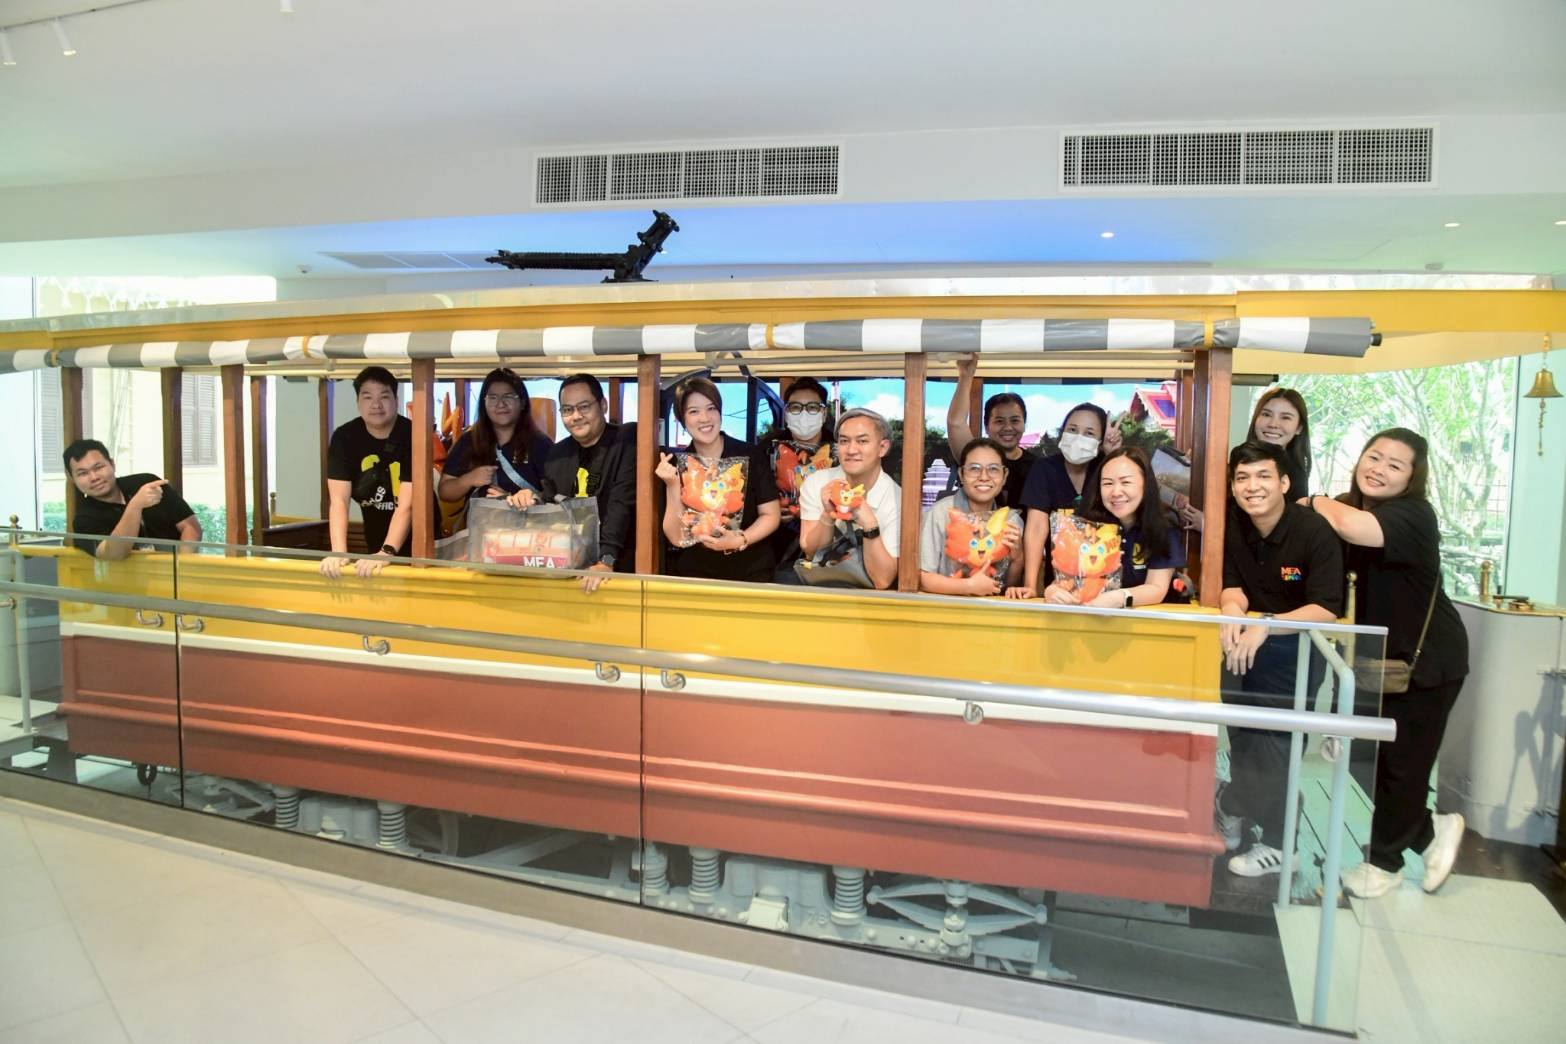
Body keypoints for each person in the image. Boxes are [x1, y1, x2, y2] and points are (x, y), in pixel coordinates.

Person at [1304, 428, 1469, 899]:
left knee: (1402, 766)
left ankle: (1384, 864)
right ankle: (1430, 832)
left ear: (1412, 479)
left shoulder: (1413, 515)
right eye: (1373, 457)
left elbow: (1354, 528)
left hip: (1427, 662)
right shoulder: (1352, 509)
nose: (1378, 469)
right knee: (1366, 759)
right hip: (1377, 664)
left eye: (1394, 465)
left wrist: (1311, 500)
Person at [1218, 440, 1343, 878]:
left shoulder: (1313, 531)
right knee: (1244, 745)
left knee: (1277, 754)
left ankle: (1277, 843)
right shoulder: (1235, 523)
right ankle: (1239, 812)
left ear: (1285, 483)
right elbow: (1233, 584)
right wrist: (1232, 610)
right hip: (1241, 649)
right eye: (1242, 478)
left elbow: (1327, 606)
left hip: (1295, 654)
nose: (1252, 486)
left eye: (1263, 476)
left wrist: (1268, 624)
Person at [509, 374, 638, 594]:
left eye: (584, 407)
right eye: (567, 410)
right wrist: (531, 499)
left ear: (603, 405)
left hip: (619, 569)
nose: (576, 416)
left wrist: (606, 560)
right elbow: (551, 502)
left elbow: (621, 502)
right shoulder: (557, 454)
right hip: (570, 568)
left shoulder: (626, 439)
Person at [654, 377, 780, 583]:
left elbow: (771, 515)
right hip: (696, 575)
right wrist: (672, 485)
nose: (704, 418)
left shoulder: (751, 455)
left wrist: (739, 540)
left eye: (711, 408)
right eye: (693, 411)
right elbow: (676, 537)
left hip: (752, 571)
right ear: (681, 419)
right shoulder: (676, 465)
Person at [1031, 447, 1182, 607]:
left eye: (1126, 482)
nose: (1116, 492)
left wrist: (1120, 598)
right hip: (1092, 617)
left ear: (1146, 484)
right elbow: (1070, 578)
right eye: (1108, 483)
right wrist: (1053, 590)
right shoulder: (1086, 525)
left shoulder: (1164, 526)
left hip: (1147, 619)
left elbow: (1156, 588)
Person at [1018, 401, 1121, 594]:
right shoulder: (1044, 469)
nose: (1078, 438)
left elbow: (1127, 508)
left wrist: (1112, 453)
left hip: (1108, 587)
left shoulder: (1107, 468)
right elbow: (1036, 527)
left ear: (1100, 442)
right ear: (1062, 432)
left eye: (1089, 433)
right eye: (1072, 430)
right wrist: (1030, 586)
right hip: (1059, 587)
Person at [322, 366, 414, 579]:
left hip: (421, 542)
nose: (376, 405)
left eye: (384, 396)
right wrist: (339, 553)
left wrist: (387, 551)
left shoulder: (413, 433)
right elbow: (339, 501)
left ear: (396, 400)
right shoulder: (345, 438)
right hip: (375, 538)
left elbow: (407, 505)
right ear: (358, 402)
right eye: (367, 397)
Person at [1174, 387, 1312, 530]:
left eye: (1285, 417)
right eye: (1266, 414)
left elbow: (1272, 532)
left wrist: (1210, 527)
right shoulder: (1237, 461)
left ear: (1299, 428)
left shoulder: (1296, 476)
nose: (1273, 424)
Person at [798, 408, 901, 590]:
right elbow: (811, 552)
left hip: (871, 598)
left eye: (862, 441)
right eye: (844, 441)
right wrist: (828, 515)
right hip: (821, 588)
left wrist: (869, 524)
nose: (851, 450)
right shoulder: (816, 482)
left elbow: (882, 580)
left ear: (883, 448)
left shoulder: (898, 499)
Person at [64, 439, 202, 559]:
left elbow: (191, 527)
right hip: (129, 579)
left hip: (176, 573)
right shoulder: (84, 519)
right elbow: (113, 554)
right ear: (72, 479)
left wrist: (181, 566)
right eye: (83, 473)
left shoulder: (147, 483)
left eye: (99, 467)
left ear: (112, 464)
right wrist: (135, 506)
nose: (94, 477)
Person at [919, 438, 1023, 596]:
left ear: (1004, 475)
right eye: (974, 468)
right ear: (961, 474)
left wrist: (1017, 558)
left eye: (993, 469)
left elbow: (1008, 587)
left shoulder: (1011, 521)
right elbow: (921, 577)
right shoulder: (940, 514)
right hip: (944, 607)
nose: (984, 476)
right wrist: (967, 586)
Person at [439, 368, 552, 505]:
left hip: (527, 519)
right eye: (492, 398)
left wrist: (525, 498)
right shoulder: (468, 441)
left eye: (508, 397)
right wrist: (469, 479)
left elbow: (555, 495)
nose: (500, 404)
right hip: (480, 518)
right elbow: (445, 492)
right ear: (484, 403)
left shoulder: (540, 444)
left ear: (522, 402)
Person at [760, 377, 837, 580]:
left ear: (824, 413)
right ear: (786, 413)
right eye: (795, 407)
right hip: (775, 548)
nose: (803, 414)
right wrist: (771, 510)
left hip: (828, 548)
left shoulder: (839, 449)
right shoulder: (767, 448)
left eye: (812, 407)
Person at [946, 354, 1035, 510]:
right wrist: (965, 376)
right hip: (975, 526)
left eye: (1015, 420)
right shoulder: (975, 455)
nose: (1008, 428)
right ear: (987, 426)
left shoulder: (1038, 467)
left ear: (1024, 424)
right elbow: (956, 423)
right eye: (999, 421)